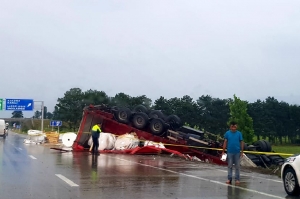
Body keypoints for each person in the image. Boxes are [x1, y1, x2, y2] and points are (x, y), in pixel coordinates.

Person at [222, 121, 244, 185]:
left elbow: (241, 142)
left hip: (237, 152)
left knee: (237, 166)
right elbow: (225, 142)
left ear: (236, 127)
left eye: (235, 126)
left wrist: (242, 152)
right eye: (232, 126)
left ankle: (237, 179)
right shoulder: (227, 133)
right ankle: (229, 178)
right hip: (229, 152)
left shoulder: (239, 134)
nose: (233, 128)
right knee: (230, 166)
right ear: (230, 127)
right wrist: (223, 151)